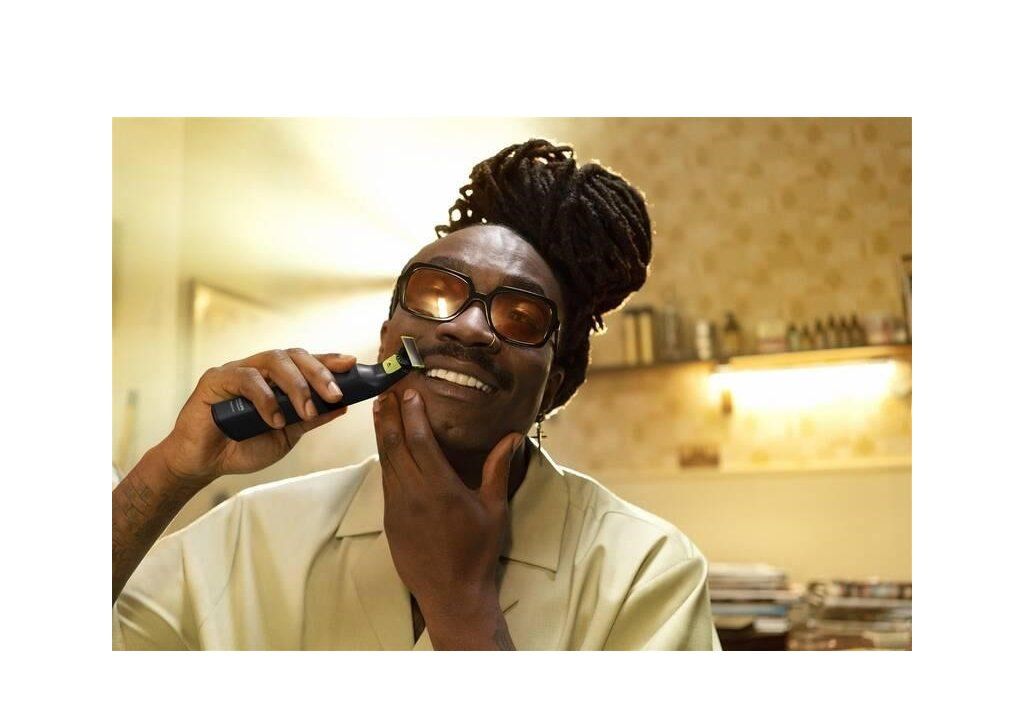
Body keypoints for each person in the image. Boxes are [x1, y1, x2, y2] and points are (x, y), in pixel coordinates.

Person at [112, 138, 722, 651]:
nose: (470, 327)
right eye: (436, 292)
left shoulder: (648, 571)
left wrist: (460, 601)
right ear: (387, 340)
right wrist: (171, 469)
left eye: (520, 316)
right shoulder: (251, 533)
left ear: (553, 387)